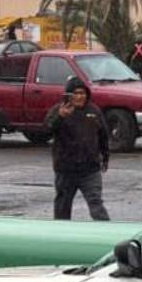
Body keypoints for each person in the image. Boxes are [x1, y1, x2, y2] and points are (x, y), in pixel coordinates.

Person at [45, 78, 110, 220]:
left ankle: (106, 229)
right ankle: (61, 230)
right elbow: (46, 131)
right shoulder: (58, 110)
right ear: (68, 95)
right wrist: (60, 117)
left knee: (96, 203)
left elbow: (103, 135)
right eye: (76, 93)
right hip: (66, 170)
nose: (80, 97)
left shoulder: (94, 111)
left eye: (83, 93)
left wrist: (105, 156)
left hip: (90, 169)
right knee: (63, 205)